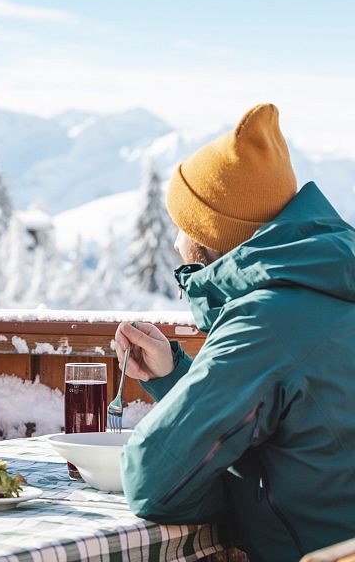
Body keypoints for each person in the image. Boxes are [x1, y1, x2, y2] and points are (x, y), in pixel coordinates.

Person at [114, 103, 355, 562]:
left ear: (209, 236)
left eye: (182, 227)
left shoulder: (266, 322)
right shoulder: (329, 288)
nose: (173, 242)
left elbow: (151, 478)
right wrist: (174, 377)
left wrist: (218, 479)